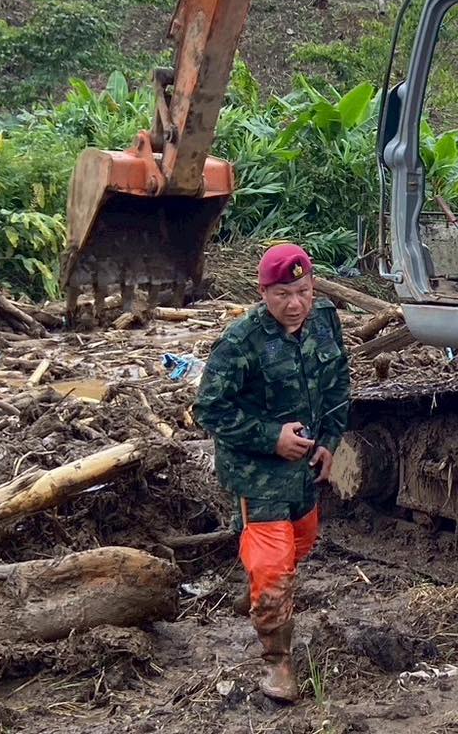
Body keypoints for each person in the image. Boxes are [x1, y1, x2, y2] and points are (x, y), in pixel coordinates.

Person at [194, 243, 351, 703]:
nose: (295, 304)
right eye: (283, 294)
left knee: (302, 539)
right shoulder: (241, 342)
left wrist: (330, 441)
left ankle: (260, 590)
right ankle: (278, 663)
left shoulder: (325, 320)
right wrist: (270, 437)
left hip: (305, 468)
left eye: (303, 292)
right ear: (263, 293)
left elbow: (338, 383)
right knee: (274, 568)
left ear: (314, 287)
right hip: (256, 473)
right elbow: (209, 409)